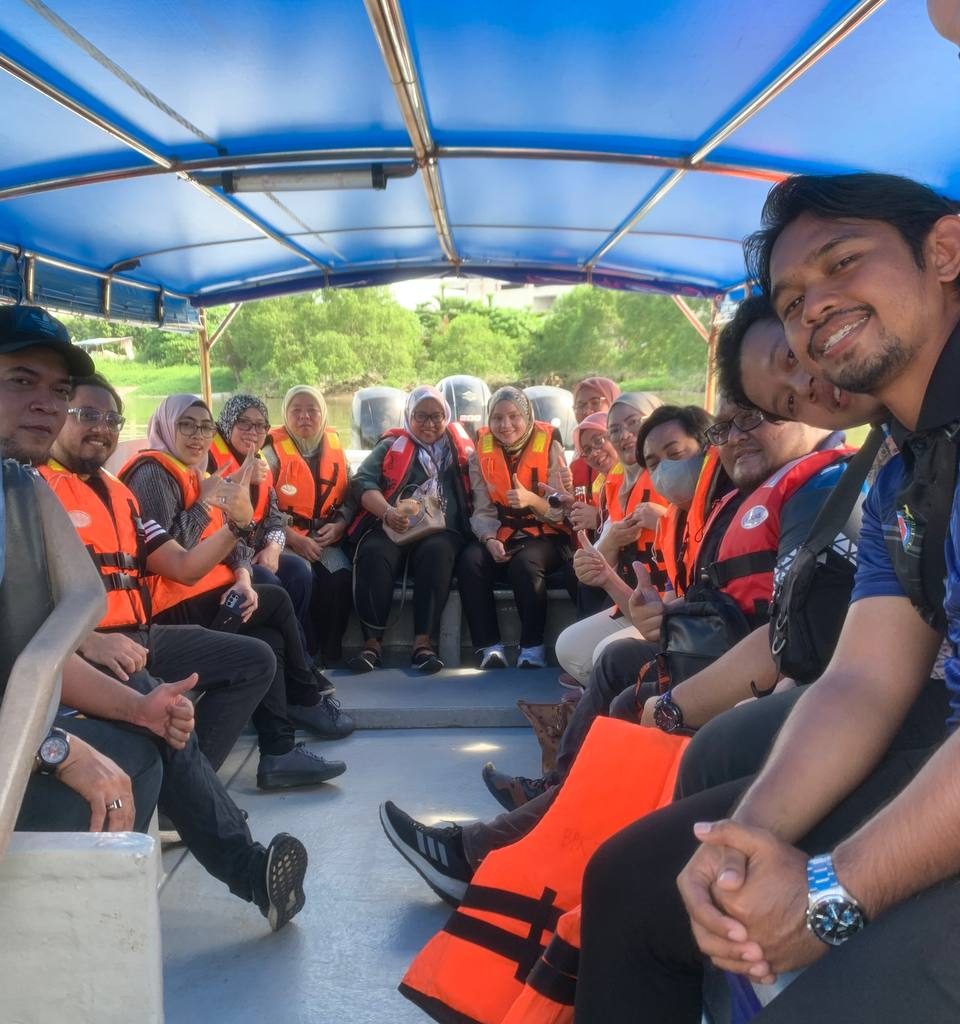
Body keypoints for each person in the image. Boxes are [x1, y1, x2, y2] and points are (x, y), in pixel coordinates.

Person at [574, 171, 960, 1023]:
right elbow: (862, 680)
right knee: (642, 884)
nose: (814, 307)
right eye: (791, 300)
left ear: (946, 251)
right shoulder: (906, 470)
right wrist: (747, 845)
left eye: (843, 262)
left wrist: (832, 895)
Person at [0, 308, 309, 930]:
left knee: (182, 697)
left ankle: (226, 818)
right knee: (153, 727)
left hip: (124, 644)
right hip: (95, 656)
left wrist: (241, 524)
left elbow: (184, 568)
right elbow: (45, 647)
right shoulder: (44, 488)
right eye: (20, 381)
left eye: (59, 393)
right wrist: (57, 748)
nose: (47, 405)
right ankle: (237, 850)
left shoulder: (29, 491)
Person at [43, 374, 276, 773]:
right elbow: (22, 600)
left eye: (112, 420)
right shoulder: (33, 491)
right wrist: (87, 640)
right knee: (167, 718)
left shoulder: (120, 495)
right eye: (87, 415)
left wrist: (237, 525)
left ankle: (264, 749)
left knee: (259, 655)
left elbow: (184, 567)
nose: (101, 427)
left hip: (143, 633)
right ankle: (256, 763)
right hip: (92, 648)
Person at [121, 394, 353, 788]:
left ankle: (278, 753)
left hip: (206, 594)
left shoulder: (198, 470)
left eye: (204, 427)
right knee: (276, 597)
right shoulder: (152, 475)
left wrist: (244, 576)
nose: (197, 436)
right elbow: (173, 550)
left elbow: (238, 536)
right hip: (169, 609)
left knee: (266, 633)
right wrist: (209, 501)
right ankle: (306, 696)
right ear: (165, 426)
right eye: (187, 426)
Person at [349, 384, 475, 674]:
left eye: (436, 416)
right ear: (408, 416)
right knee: (373, 553)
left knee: (438, 552)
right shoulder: (389, 446)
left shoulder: (461, 451)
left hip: (440, 531)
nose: (429, 424)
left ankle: (423, 643)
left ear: (447, 417)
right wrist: (388, 512)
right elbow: (362, 482)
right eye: (420, 416)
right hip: (394, 524)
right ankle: (372, 644)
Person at [456, 386, 572, 670]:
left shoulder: (551, 446)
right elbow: (482, 507)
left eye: (513, 416)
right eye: (497, 418)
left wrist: (533, 500)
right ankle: (490, 648)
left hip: (545, 534)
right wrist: (489, 538)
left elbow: (561, 513)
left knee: (525, 565)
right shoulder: (480, 453)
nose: (505, 425)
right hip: (503, 532)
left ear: (527, 416)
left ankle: (532, 649)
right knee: (470, 560)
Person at [208, 394, 313, 654]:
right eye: (244, 423)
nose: (253, 432)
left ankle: (294, 652)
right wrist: (240, 477)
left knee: (300, 572)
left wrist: (274, 548)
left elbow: (275, 515)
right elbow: (206, 505)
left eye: (260, 425)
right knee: (268, 581)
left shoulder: (259, 461)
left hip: (257, 553)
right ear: (228, 423)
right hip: (223, 558)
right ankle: (299, 659)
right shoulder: (208, 459)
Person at [262, 385, 356, 666]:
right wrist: (292, 538)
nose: (305, 417)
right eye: (296, 411)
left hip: (326, 536)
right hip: (283, 538)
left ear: (322, 414)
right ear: (285, 415)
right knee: (301, 576)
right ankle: (305, 650)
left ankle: (332, 653)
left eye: (312, 410)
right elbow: (261, 508)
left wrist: (341, 524)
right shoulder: (269, 455)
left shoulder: (336, 449)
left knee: (340, 575)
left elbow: (351, 494)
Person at [570, 377, 621, 499]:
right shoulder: (579, 456)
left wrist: (597, 517)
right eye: (580, 405)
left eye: (595, 402)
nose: (587, 411)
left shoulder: (635, 456)